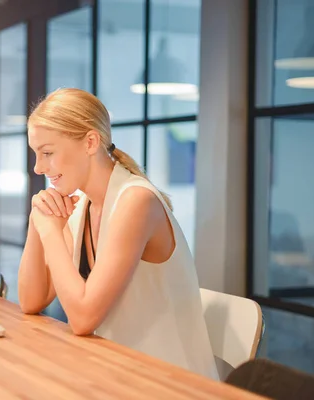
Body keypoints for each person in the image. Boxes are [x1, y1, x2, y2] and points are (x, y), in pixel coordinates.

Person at [17, 88, 218, 380]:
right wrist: (39, 224)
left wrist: (50, 233)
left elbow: (83, 317)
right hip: (118, 372)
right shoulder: (82, 204)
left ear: (90, 142)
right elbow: (31, 300)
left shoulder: (136, 201)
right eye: (36, 154)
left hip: (170, 384)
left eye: (47, 153)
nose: (38, 167)